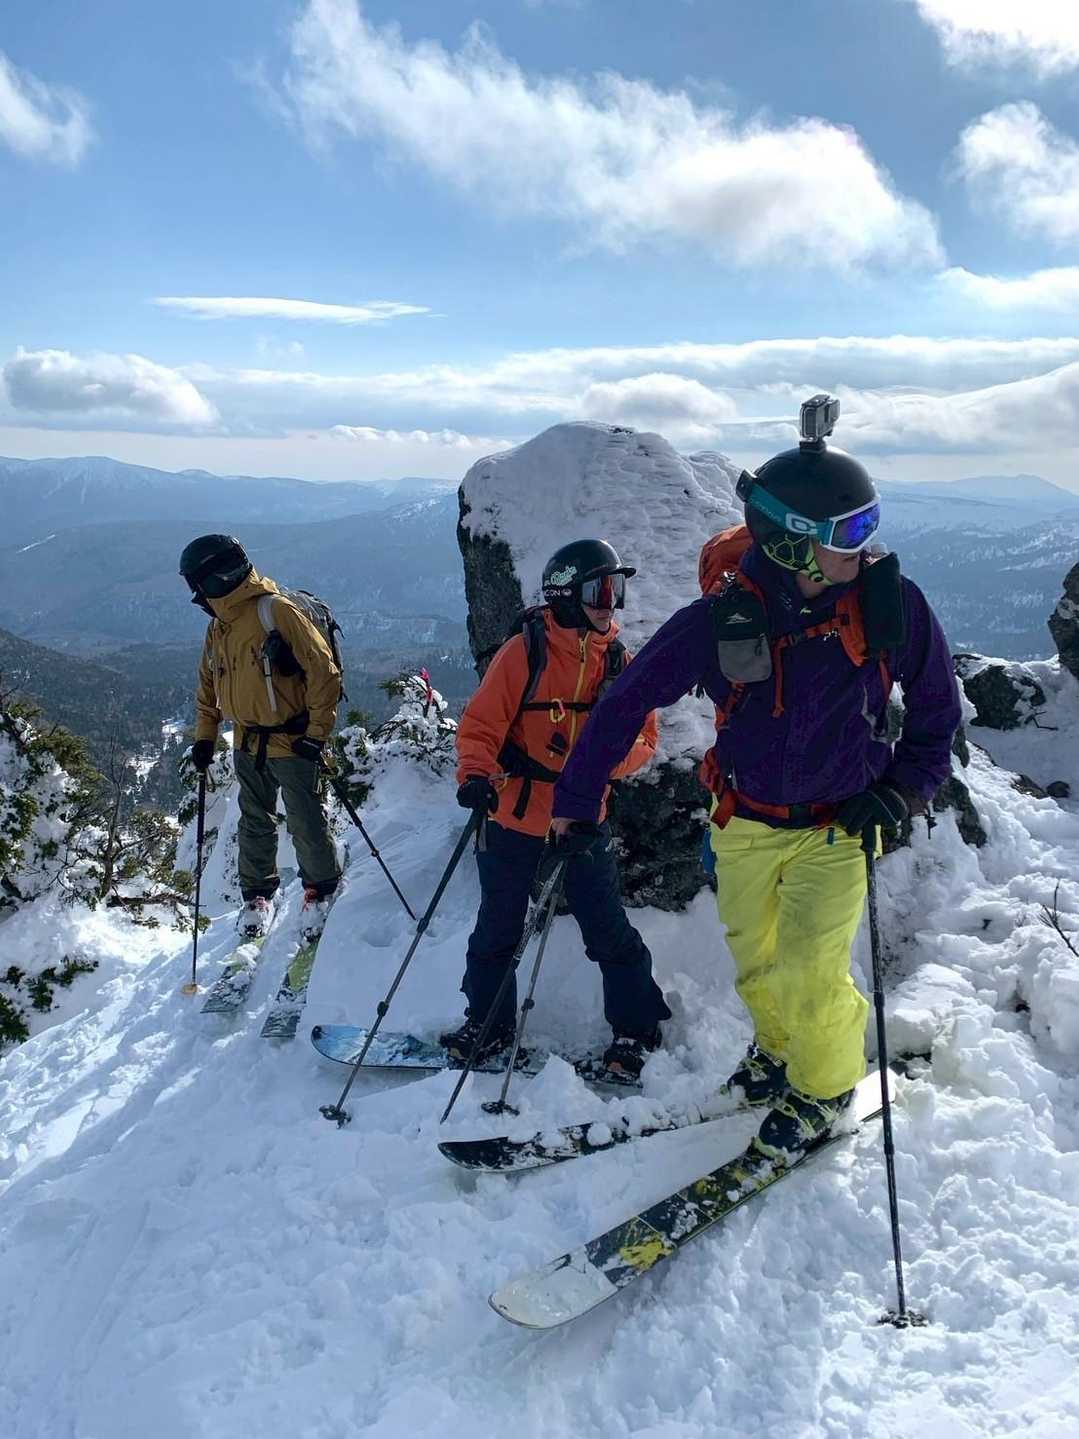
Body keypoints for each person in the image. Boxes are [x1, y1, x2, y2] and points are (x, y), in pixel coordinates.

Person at [552, 401, 962, 1159]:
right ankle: (778, 1054)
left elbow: (938, 709)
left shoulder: (888, 606)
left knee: (811, 968)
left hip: (839, 825)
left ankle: (825, 1088)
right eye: (849, 533)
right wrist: (577, 800)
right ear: (793, 543)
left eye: (869, 524)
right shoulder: (719, 619)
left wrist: (901, 792)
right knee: (757, 960)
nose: (865, 546)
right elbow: (625, 702)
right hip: (743, 820)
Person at [443, 539, 671, 1079]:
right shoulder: (525, 652)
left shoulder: (618, 661)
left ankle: (637, 1028)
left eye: (616, 590)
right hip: (515, 813)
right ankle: (488, 1026)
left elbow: (646, 737)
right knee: (497, 928)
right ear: (566, 594)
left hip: (583, 816)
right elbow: (481, 725)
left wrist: (598, 766)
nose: (611, 604)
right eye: (600, 591)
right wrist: (474, 775)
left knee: (606, 927)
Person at [180, 534, 342, 942]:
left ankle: (320, 888)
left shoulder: (276, 611)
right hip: (247, 741)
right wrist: (205, 738)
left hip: (292, 738)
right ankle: (257, 894)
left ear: (214, 577)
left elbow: (324, 673)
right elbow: (208, 686)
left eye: (196, 584)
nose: (195, 595)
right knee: (254, 819)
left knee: (304, 817)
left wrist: (316, 735)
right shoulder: (219, 626)